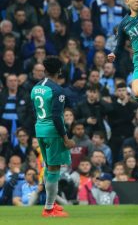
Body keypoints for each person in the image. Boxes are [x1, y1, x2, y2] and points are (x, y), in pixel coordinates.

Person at [31, 57, 75, 217]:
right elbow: (57, 117)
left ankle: (50, 205)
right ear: (59, 71)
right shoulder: (57, 90)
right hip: (53, 133)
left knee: (49, 167)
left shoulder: (35, 88)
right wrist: (66, 138)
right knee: (54, 169)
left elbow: (34, 112)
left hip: (40, 130)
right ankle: (49, 208)